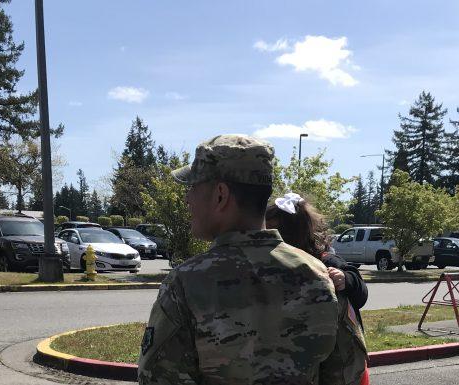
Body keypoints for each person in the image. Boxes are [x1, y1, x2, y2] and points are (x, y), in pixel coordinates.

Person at [137, 134, 340, 385]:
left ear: (220, 195)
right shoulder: (318, 275)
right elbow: (346, 373)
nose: (188, 199)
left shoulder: (187, 284)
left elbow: (158, 378)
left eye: (193, 188)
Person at [265, 193, 369, 385]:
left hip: (343, 362)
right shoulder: (274, 265)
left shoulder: (324, 261)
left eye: (273, 230)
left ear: (292, 233)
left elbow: (361, 292)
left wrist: (345, 279)